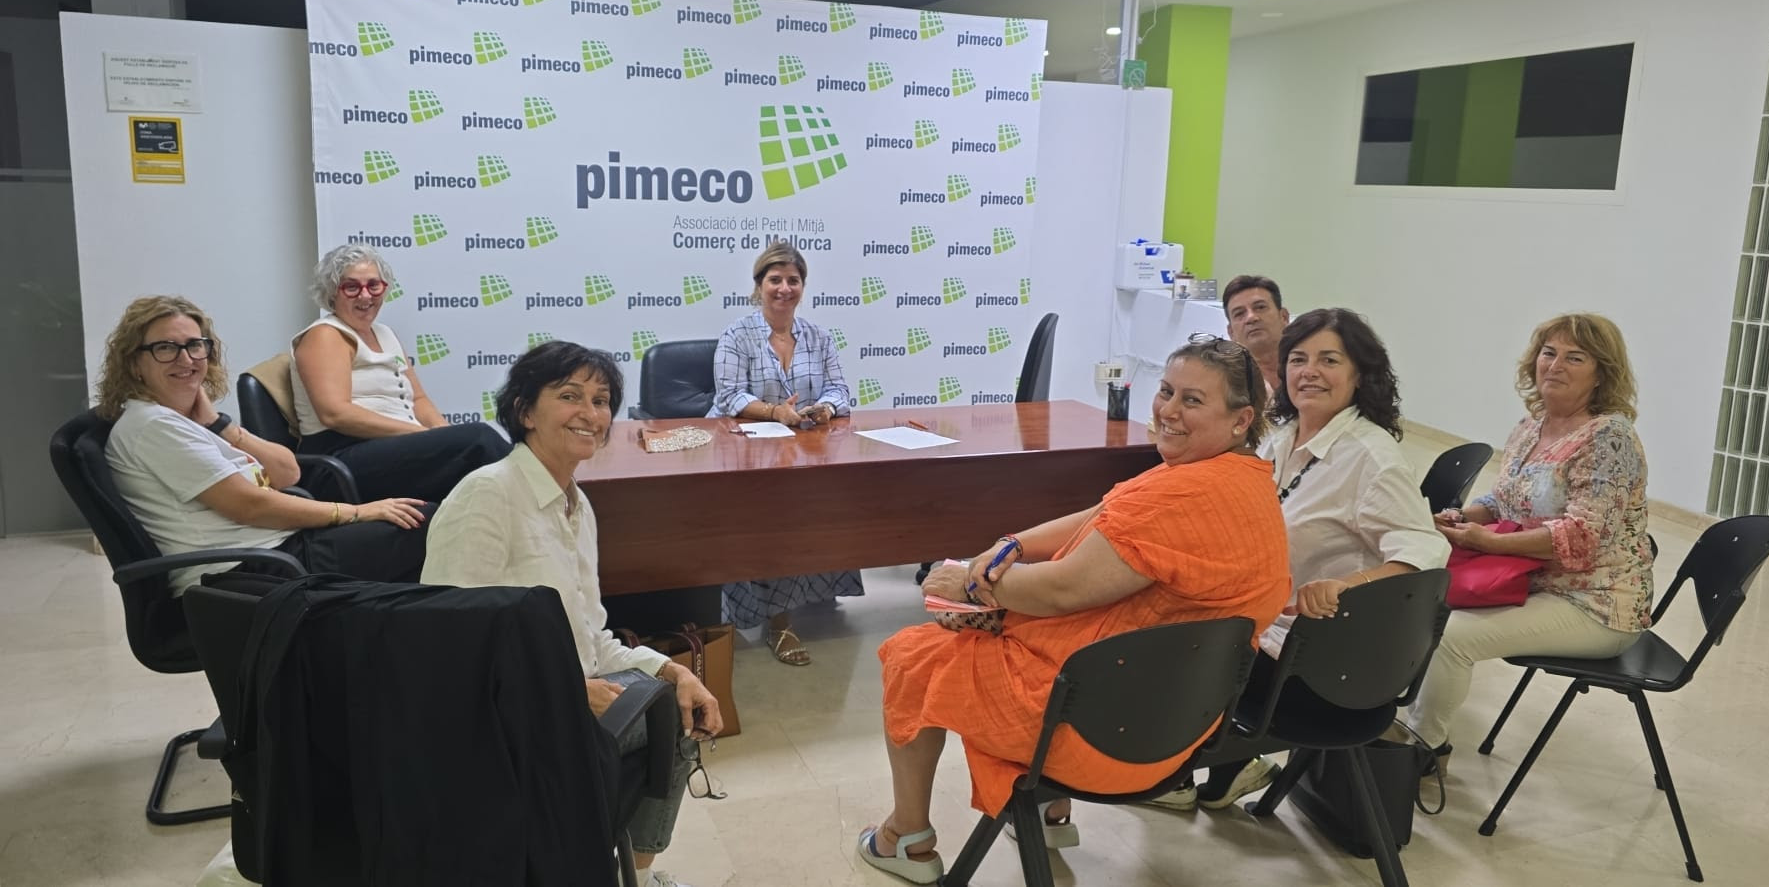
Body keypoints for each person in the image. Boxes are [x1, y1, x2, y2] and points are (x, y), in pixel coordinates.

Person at [857, 337, 1292, 885]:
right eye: (1165, 391)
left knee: (912, 655)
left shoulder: (1183, 494)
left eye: (1192, 400)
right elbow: (1105, 512)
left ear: (1241, 419)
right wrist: (1014, 544)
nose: (1168, 410)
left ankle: (907, 837)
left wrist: (971, 585)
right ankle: (1049, 812)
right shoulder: (1241, 481)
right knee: (1026, 645)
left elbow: (1061, 592)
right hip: (1176, 728)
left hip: (1100, 737)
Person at [421, 341, 723, 887]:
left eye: (601, 400)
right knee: (666, 722)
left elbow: (593, 637)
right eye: (569, 396)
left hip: (572, 695)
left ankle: (633, 875)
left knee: (679, 703)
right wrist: (563, 689)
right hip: (508, 719)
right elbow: (448, 646)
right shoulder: (485, 496)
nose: (590, 413)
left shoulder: (577, 505)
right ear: (525, 411)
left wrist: (672, 671)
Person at [1151, 310, 1449, 813]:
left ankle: (1169, 772)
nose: (1309, 371)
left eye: (1329, 360)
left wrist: (1348, 586)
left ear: (1360, 375)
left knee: (1154, 636)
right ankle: (1221, 768)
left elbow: (1426, 552)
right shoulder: (1281, 436)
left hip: (1315, 670)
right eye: (1298, 359)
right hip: (1269, 635)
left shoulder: (1372, 459)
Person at [1406, 313, 1652, 767]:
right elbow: (1503, 502)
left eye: (1574, 358)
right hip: (1529, 581)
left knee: (1452, 639)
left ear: (1602, 373)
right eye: (1548, 353)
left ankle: (1422, 753)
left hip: (1596, 604)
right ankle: (1389, 723)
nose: (1554, 366)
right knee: (1415, 600)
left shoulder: (1609, 438)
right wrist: (1457, 518)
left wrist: (1488, 543)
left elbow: (1582, 537)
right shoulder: (1532, 425)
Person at [98, 295, 430, 594]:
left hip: (278, 549)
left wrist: (220, 426)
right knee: (435, 525)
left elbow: (287, 473)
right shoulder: (155, 426)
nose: (185, 359)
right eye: (165, 348)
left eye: (195, 345)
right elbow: (250, 506)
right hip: (249, 571)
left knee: (433, 525)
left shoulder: (193, 420)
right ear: (134, 363)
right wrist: (356, 513)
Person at [706, 242, 861, 665]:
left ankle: (810, 593)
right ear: (759, 285)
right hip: (743, 452)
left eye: (793, 280)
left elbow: (840, 389)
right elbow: (729, 396)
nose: (784, 288)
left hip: (801, 450)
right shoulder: (737, 335)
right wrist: (776, 412)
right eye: (775, 279)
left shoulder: (818, 336)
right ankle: (779, 621)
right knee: (776, 515)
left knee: (827, 502)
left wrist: (824, 407)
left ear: (803, 286)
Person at [291, 244, 508, 502]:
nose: (365, 296)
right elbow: (335, 413)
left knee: (478, 472)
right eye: (351, 287)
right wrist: (422, 435)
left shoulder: (385, 334)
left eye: (374, 285)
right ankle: (543, 500)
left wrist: (442, 433)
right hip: (341, 461)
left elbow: (418, 399)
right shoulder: (325, 335)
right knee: (478, 438)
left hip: (389, 452)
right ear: (331, 292)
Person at [1223, 274, 1292, 396]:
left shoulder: (1308, 370)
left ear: (1284, 317)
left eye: (1260, 307)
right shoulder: (1225, 382)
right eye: (1239, 313)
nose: (1251, 318)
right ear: (1231, 332)